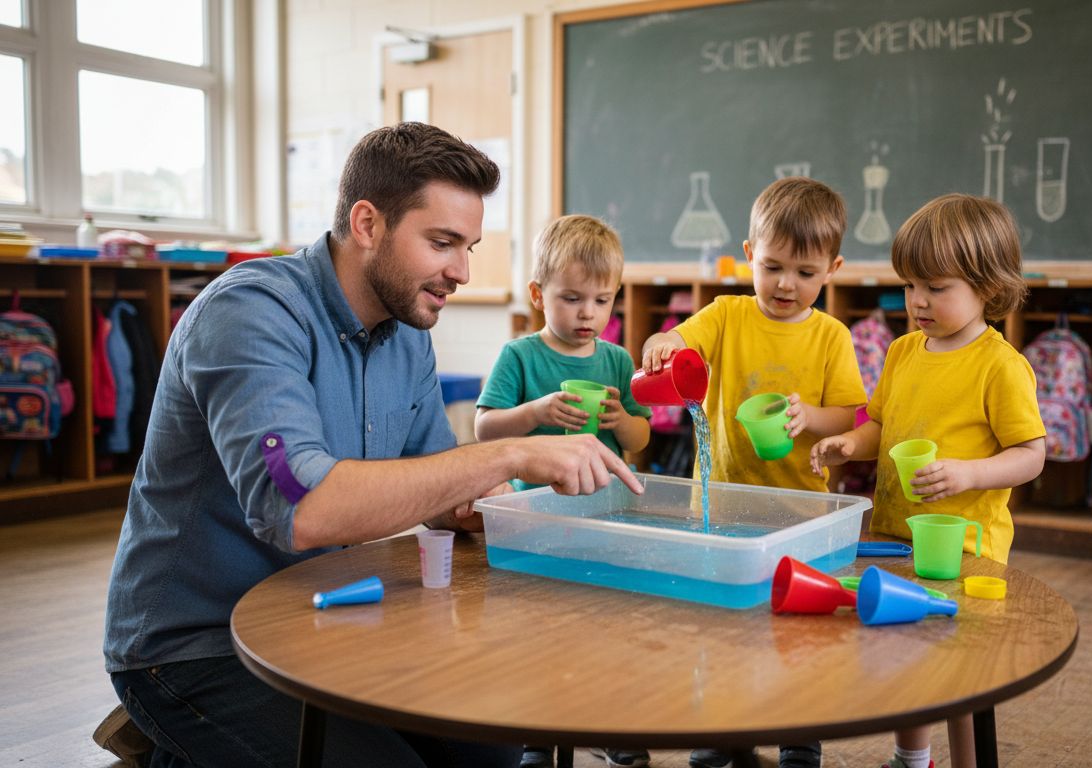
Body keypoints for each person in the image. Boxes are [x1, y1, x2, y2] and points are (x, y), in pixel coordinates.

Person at [96, 122, 642, 768]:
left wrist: (493, 503)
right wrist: (511, 454)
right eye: (442, 243)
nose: (462, 272)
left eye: (468, 247)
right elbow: (304, 507)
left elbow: (442, 488)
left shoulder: (408, 334)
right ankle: (175, 745)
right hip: (197, 645)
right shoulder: (249, 314)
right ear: (367, 224)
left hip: (325, 614)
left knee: (493, 754)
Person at [809, 193, 1046, 768]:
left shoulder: (1000, 366)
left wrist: (969, 472)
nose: (917, 300)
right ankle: (912, 760)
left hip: (964, 550)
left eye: (936, 287)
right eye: (910, 285)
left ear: (988, 287)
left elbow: (1031, 454)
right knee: (904, 652)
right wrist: (851, 444)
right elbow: (881, 425)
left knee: (958, 673)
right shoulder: (902, 352)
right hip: (897, 537)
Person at [642, 177, 868, 768]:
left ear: (832, 269)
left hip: (800, 514)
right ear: (749, 254)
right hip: (719, 509)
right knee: (724, 624)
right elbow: (683, 337)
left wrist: (809, 415)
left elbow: (848, 414)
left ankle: (800, 737)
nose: (786, 284)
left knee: (802, 630)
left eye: (805, 272)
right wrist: (665, 339)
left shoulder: (832, 336)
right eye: (772, 267)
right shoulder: (727, 314)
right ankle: (724, 729)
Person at [474, 214, 652, 768]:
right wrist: (535, 411)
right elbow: (484, 428)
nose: (588, 314)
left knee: (611, 622)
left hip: (606, 519)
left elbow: (641, 438)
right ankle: (536, 737)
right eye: (572, 299)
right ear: (538, 295)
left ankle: (613, 723)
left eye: (602, 301)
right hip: (536, 522)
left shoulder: (616, 360)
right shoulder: (520, 356)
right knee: (538, 628)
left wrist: (623, 421)